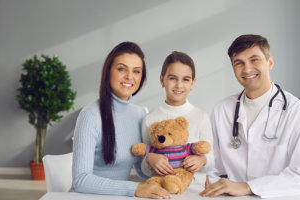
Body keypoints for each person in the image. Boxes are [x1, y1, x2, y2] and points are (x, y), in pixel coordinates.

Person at [200, 34, 300, 198]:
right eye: (239, 63)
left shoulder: (297, 112)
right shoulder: (222, 110)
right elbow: (211, 167)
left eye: (254, 60)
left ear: (270, 62)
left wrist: (248, 187)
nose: (247, 69)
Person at [71, 41, 171, 199]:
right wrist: (134, 189)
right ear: (108, 71)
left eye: (136, 71)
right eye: (121, 69)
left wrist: (154, 162)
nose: (129, 77)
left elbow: (139, 169)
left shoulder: (139, 114)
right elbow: (81, 180)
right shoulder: (90, 115)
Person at [141, 51, 214, 191]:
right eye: (172, 78)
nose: (179, 85)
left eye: (186, 79)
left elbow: (211, 159)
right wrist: (149, 159)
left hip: (195, 192)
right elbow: (144, 168)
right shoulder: (150, 119)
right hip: (161, 192)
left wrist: (203, 160)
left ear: (193, 83)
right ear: (162, 80)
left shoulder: (201, 117)